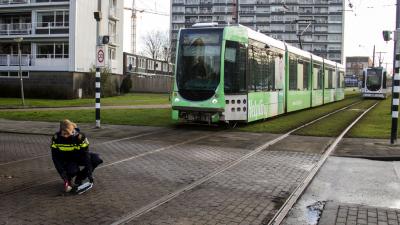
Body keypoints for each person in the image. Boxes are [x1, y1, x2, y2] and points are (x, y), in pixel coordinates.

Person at [50, 119, 103, 193]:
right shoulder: (56, 138)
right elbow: (55, 158)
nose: (65, 136)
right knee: (73, 171)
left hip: (79, 157)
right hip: (67, 160)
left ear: (73, 131)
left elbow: (86, 155)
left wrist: (89, 174)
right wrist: (63, 175)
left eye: (68, 134)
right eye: (63, 133)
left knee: (97, 159)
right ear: (60, 131)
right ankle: (68, 179)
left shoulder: (80, 137)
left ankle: (80, 178)